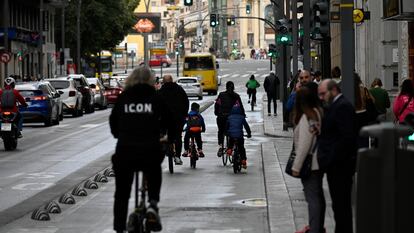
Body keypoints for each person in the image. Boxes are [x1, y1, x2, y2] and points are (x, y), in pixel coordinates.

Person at [109, 66, 175, 233]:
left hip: (125, 151)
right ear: (150, 80)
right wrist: (169, 138)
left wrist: (120, 135)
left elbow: (113, 122)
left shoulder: (123, 98)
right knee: (154, 168)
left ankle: (118, 228)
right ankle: (152, 203)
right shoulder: (155, 97)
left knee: (122, 193)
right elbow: (170, 120)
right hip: (149, 150)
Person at [317, 80, 357, 233]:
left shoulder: (342, 107)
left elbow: (345, 138)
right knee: (338, 206)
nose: (321, 97)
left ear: (333, 90)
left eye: (323, 94)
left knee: (342, 207)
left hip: (340, 166)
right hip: (337, 166)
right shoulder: (335, 106)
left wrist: (329, 159)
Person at [292, 86, 325, 233]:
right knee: (318, 196)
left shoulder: (306, 117)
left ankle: (315, 228)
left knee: (312, 198)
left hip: (311, 163)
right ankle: (316, 226)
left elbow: (305, 144)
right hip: (319, 161)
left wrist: (296, 167)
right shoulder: (318, 112)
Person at [158, 74, 189, 165]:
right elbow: (186, 102)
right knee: (178, 137)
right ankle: (177, 156)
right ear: (172, 80)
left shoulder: (160, 91)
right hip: (178, 118)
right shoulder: (179, 90)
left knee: (162, 134)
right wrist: (184, 114)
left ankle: (165, 148)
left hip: (164, 119)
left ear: (163, 81)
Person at [214, 81, 245, 157]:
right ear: (233, 87)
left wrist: (216, 112)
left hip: (221, 116)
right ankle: (230, 147)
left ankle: (221, 146)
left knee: (221, 131)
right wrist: (243, 114)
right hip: (231, 117)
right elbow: (240, 106)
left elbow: (217, 104)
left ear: (226, 87)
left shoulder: (221, 95)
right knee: (231, 130)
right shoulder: (236, 96)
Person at [226, 104, 251, 169]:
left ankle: (229, 149)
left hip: (231, 134)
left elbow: (226, 127)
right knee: (241, 148)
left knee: (231, 141)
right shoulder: (242, 117)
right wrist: (249, 133)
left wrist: (226, 133)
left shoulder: (229, 117)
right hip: (239, 135)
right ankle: (243, 160)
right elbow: (246, 126)